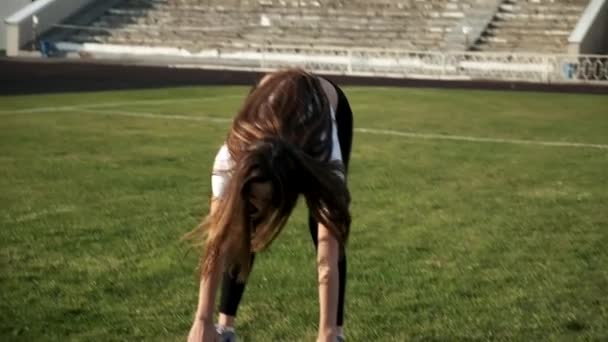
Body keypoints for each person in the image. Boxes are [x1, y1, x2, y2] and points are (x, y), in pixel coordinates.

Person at [186, 68, 354, 342]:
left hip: (326, 107)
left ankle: (336, 333)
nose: (263, 208)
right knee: (242, 222)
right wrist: (201, 320)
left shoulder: (324, 157)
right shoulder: (229, 160)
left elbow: (327, 255)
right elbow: (217, 241)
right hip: (270, 96)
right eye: (256, 198)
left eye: (268, 201)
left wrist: (325, 333)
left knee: (323, 228)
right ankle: (224, 328)